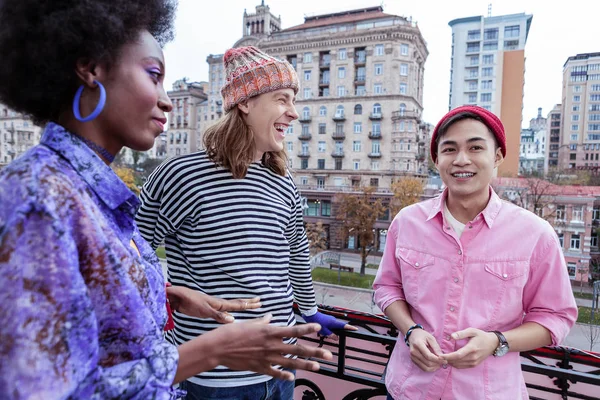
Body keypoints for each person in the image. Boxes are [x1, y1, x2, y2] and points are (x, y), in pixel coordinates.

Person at [0, 2, 333, 399]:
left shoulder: (96, 192)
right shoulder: (38, 195)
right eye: (153, 76)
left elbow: (97, 290)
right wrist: (212, 351)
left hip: (276, 371)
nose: (168, 101)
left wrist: (166, 292)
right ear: (91, 70)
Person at [136, 46, 356, 400]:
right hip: (214, 379)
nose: (293, 112)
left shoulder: (283, 179)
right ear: (246, 103)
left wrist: (311, 308)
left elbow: (297, 250)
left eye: (293, 100)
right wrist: (169, 296)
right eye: (282, 99)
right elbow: (129, 255)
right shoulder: (181, 176)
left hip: (282, 365)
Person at [373, 105, 578, 400]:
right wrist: (411, 331)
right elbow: (387, 288)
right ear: (436, 159)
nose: (461, 160)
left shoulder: (535, 234)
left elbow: (555, 317)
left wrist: (497, 341)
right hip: (409, 388)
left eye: (475, 147)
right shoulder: (407, 222)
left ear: (497, 156)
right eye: (449, 149)